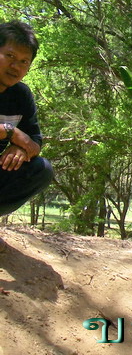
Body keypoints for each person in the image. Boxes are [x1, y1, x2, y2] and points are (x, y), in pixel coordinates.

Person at [0, 21, 53, 251]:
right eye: (10, 56)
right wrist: (11, 132)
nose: (16, 66)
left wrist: (21, 147)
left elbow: (35, 142)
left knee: (41, 169)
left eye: (24, 61)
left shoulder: (21, 95)